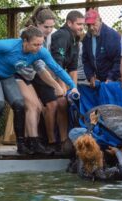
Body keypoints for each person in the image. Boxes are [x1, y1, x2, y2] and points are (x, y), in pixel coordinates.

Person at [0, 26, 79, 156]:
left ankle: (22, 146)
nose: (39, 48)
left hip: (6, 75)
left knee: (19, 104)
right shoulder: (10, 45)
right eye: (35, 44)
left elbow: (57, 68)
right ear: (25, 41)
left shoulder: (40, 51)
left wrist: (72, 86)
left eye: (41, 44)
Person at [34, 10, 84, 152]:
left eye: (82, 24)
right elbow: (57, 65)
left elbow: (72, 68)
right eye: (79, 24)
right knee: (56, 103)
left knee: (64, 103)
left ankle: (64, 141)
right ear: (69, 23)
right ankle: (52, 141)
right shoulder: (62, 35)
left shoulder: (76, 39)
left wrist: (74, 88)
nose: (81, 27)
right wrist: (61, 88)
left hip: (55, 74)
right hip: (43, 74)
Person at [16, 6, 63, 154]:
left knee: (49, 103)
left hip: (40, 71)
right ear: (37, 24)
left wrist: (59, 81)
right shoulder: (26, 34)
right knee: (32, 105)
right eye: (46, 27)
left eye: (51, 27)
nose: (49, 30)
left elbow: (47, 62)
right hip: (24, 73)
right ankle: (28, 142)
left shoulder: (52, 36)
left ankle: (46, 141)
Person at [82, 9, 121, 88]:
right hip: (99, 81)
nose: (91, 28)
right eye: (88, 25)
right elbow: (86, 60)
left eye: (93, 24)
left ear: (100, 20)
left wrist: (111, 77)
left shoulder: (112, 36)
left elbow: (119, 60)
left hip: (114, 81)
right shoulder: (87, 38)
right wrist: (91, 76)